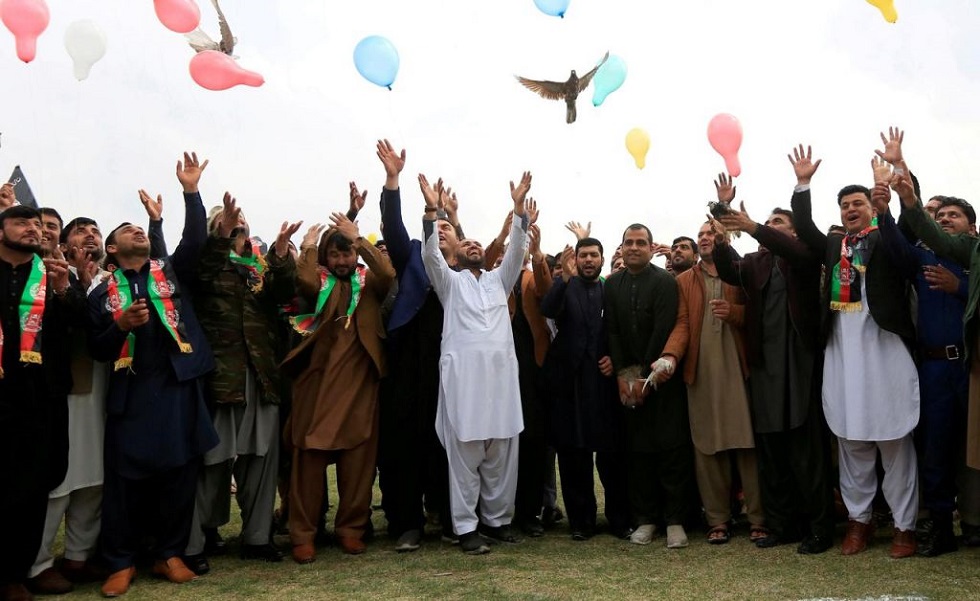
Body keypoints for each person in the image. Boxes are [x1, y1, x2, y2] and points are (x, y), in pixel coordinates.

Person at [88, 152, 220, 596]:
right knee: (125, 483)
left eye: (140, 229)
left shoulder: (169, 272)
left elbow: (196, 241)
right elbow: (96, 347)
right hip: (131, 392)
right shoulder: (100, 293)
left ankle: (169, 554)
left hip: (178, 386)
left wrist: (191, 191)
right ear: (111, 249)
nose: (137, 231)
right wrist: (119, 327)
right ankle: (121, 562)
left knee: (180, 475)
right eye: (126, 230)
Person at [787, 139, 920, 559]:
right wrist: (802, 185)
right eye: (844, 204)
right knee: (851, 442)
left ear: (870, 205)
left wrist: (896, 180)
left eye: (858, 202)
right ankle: (859, 522)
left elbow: (910, 232)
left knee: (896, 441)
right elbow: (803, 230)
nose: (850, 209)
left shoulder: (888, 238)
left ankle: (905, 527)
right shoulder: (834, 244)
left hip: (885, 350)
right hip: (843, 355)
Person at [711, 182, 835, 554]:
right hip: (765, 366)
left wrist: (753, 227)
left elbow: (797, 252)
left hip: (800, 362)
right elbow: (729, 271)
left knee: (805, 450)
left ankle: (819, 528)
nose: (767, 226)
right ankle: (783, 524)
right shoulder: (755, 263)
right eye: (766, 222)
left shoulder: (805, 254)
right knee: (773, 449)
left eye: (777, 222)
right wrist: (722, 234)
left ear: (793, 230)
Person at [181, 201, 300, 573]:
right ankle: (195, 542)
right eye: (230, 226)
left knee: (261, 460)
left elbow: (283, 294)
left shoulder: (257, 270)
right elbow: (202, 270)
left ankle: (257, 538)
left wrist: (280, 255)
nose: (238, 230)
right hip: (221, 377)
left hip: (261, 377)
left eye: (242, 226)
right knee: (211, 462)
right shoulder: (207, 265)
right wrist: (219, 236)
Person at [421, 171, 533, 555]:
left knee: (501, 455)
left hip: (501, 384)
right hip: (464, 385)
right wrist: (432, 211)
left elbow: (517, 249)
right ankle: (467, 528)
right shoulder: (450, 285)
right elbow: (430, 255)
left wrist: (518, 210)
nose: (470, 244)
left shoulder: (499, 282)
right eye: (464, 241)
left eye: (474, 241)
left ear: (484, 252)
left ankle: (498, 522)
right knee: (466, 459)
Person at [281, 210, 394, 564]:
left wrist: (359, 238)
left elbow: (388, 273)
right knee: (309, 459)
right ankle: (303, 533)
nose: (342, 261)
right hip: (318, 386)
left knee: (358, 461)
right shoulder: (319, 281)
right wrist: (310, 247)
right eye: (336, 255)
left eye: (347, 254)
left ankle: (351, 529)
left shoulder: (368, 283)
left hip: (361, 385)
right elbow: (306, 281)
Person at [656, 221, 765, 546]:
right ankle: (717, 520)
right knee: (707, 448)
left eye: (710, 234)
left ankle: (759, 518)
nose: (704, 239)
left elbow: (756, 317)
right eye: (700, 235)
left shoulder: (740, 271)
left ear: (723, 239)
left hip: (739, 369)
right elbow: (683, 323)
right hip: (700, 373)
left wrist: (734, 313)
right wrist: (670, 355)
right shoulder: (685, 280)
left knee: (747, 446)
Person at [375, 140, 456, 553]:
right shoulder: (410, 257)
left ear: (458, 247)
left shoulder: (464, 277)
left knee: (443, 441)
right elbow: (392, 226)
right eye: (435, 230)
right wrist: (394, 180)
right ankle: (406, 522)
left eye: (448, 231)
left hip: (449, 364)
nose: (440, 234)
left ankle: (443, 514)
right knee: (403, 440)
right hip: (407, 356)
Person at [0, 205, 78, 601]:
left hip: (40, 396)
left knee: (33, 486)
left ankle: (16, 572)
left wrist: (64, 290)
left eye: (37, 224)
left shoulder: (52, 276)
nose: (32, 229)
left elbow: (80, 330)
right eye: (20, 222)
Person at [605, 223, 694, 548]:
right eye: (628, 242)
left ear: (650, 246)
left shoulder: (664, 281)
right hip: (629, 384)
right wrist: (625, 377)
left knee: (671, 452)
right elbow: (612, 330)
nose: (633, 247)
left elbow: (663, 328)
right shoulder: (612, 284)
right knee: (638, 453)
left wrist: (645, 377)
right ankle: (646, 519)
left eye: (641, 242)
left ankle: (675, 521)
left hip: (661, 378)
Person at [541, 238, 630, 541]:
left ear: (603, 259)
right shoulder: (565, 285)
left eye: (594, 255)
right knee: (573, 456)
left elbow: (622, 330)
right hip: (570, 385)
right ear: (576, 260)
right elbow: (548, 309)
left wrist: (615, 360)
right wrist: (563, 280)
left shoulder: (612, 288)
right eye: (583, 256)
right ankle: (582, 522)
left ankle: (619, 519)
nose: (588, 260)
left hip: (604, 385)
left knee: (612, 457)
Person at [485, 204, 554, 537]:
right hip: (494, 374)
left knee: (532, 442)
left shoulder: (530, 277)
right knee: (495, 445)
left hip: (531, 371)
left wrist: (539, 255)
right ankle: (493, 514)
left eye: (522, 246)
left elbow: (548, 293)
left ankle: (529, 513)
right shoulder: (488, 279)